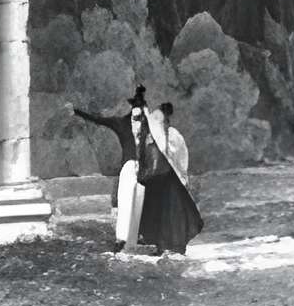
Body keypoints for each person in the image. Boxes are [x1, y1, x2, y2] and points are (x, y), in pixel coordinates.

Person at [72, 85, 203, 255]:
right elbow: (98, 119)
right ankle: (123, 240)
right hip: (133, 168)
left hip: (147, 170)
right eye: (136, 113)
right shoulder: (123, 123)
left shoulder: (148, 127)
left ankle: (150, 239)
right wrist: (77, 112)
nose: (138, 118)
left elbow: (165, 146)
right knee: (127, 202)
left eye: (141, 113)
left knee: (151, 204)